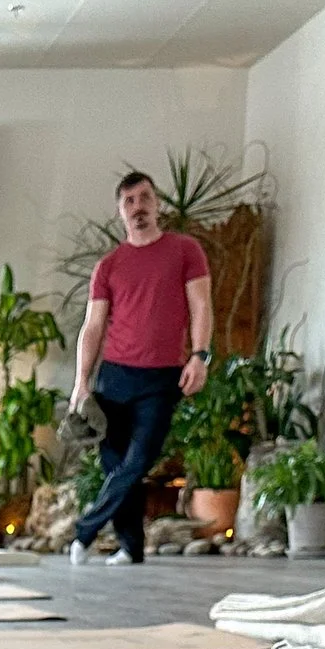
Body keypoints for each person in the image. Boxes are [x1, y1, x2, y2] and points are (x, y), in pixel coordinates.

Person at [68, 171, 215, 565]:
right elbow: (93, 326)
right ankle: (131, 547)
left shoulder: (185, 251)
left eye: (145, 198)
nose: (138, 207)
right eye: (129, 202)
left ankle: (85, 530)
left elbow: (201, 306)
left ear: (158, 204)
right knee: (117, 466)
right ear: (120, 212)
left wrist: (200, 356)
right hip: (113, 377)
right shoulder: (109, 266)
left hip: (162, 376)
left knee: (138, 461)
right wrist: (81, 383)